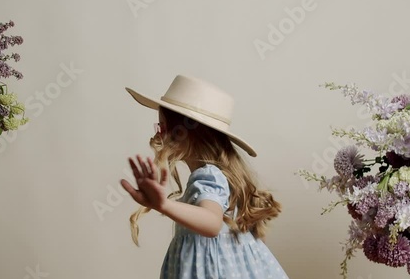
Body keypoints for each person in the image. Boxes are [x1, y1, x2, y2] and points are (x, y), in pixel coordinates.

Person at [120, 75, 289, 279]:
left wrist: (163, 204)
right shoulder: (213, 176)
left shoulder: (207, 175)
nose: (158, 136)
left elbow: (211, 223)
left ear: (185, 133)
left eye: (162, 127)